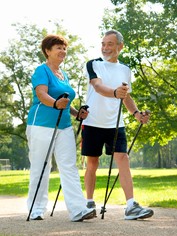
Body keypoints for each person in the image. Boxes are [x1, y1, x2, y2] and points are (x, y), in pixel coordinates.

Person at [81, 30, 154, 220]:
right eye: (103, 43)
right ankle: (89, 203)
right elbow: (97, 87)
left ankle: (131, 206)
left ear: (120, 46)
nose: (105, 48)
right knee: (92, 164)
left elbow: (126, 96)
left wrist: (136, 114)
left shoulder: (125, 70)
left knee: (123, 159)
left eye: (110, 44)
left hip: (116, 124)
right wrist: (115, 93)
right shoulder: (93, 64)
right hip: (93, 123)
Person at [26, 34, 96, 222]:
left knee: (69, 166)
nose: (63, 51)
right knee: (41, 166)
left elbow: (64, 102)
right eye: (58, 48)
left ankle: (78, 210)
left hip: (64, 126)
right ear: (47, 51)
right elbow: (41, 94)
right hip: (41, 124)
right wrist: (55, 104)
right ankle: (36, 209)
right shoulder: (41, 71)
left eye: (64, 48)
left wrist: (76, 113)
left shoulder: (63, 74)